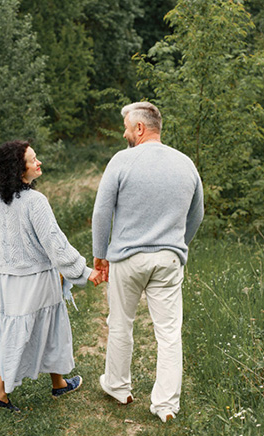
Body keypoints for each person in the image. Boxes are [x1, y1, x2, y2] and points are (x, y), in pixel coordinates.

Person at [92, 102, 204, 423]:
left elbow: (102, 211)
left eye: (127, 127)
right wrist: (178, 244)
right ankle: (165, 405)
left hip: (127, 258)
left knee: (121, 323)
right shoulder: (185, 164)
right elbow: (198, 213)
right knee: (169, 333)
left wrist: (100, 254)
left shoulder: (121, 161)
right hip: (168, 258)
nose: (125, 133)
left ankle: (118, 386)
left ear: (140, 128)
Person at [0, 140, 102, 413]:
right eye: (33, 160)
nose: (39, 163)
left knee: (35, 328)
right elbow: (54, 243)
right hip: (34, 279)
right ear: (19, 169)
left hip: (10, 279)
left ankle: (59, 383)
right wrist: (82, 272)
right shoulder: (35, 202)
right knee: (22, 332)